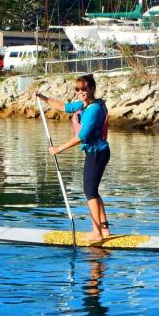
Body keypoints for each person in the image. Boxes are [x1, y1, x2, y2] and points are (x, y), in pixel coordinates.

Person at [37, 74, 111, 242]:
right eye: (77, 89)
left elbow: (82, 136)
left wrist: (59, 149)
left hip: (96, 153)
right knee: (93, 191)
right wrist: (43, 98)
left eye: (84, 89)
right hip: (96, 152)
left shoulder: (94, 109)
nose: (80, 92)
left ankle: (96, 233)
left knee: (90, 193)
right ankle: (104, 229)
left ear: (91, 89)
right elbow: (65, 107)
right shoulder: (84, 105)